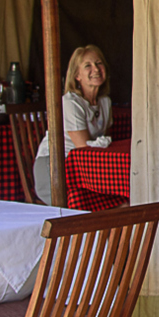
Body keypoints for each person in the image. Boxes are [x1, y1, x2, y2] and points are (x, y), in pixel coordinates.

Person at [32, 44, 114, 204]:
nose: (96, 69)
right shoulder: (70, 102)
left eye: (99, 63)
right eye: (88, 66)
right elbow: (82, 147)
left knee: (118, 198)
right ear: (77, 76)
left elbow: (106, 141)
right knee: (84, 205)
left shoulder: (105, 102)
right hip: (54, 166)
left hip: (83, 168)